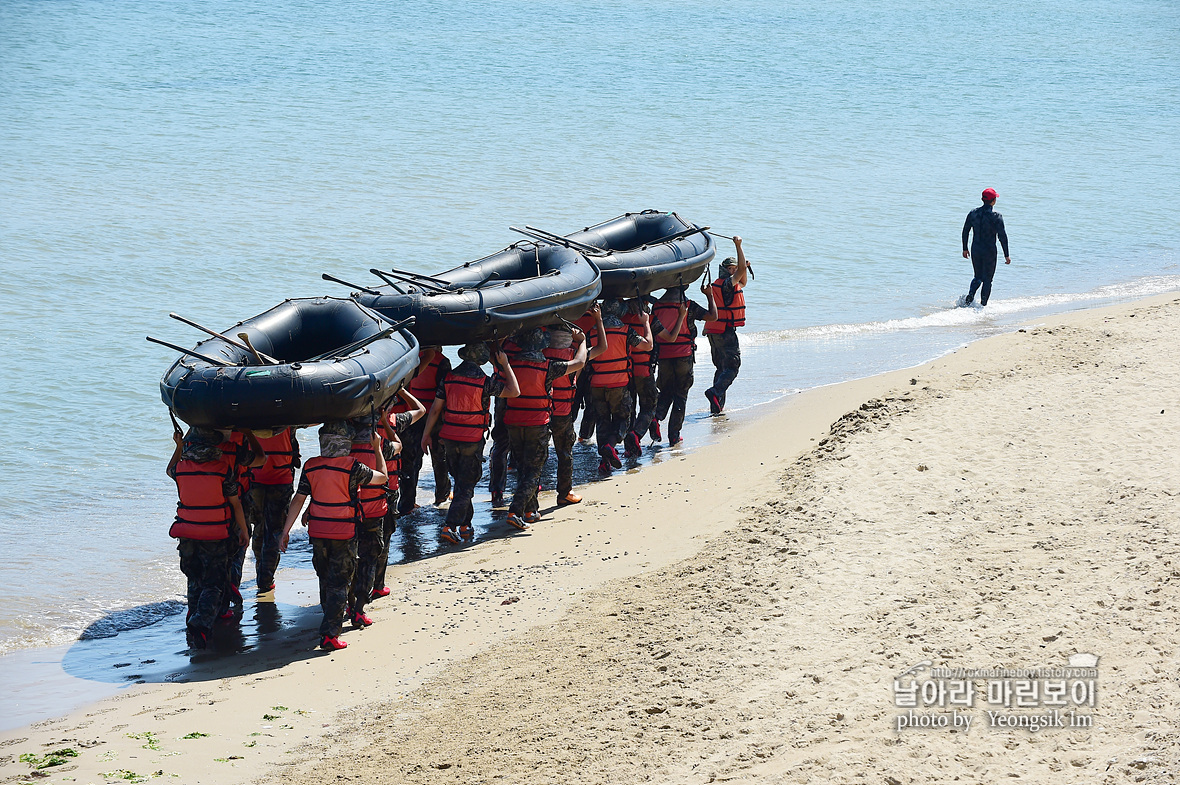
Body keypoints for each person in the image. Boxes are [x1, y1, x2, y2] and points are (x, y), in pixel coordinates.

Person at [279, 422, 388, 651]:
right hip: (343, 532)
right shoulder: (352, 467)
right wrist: (377, 448)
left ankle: (329, 621)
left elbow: (299, 499)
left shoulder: (311, 466)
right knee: (340, 582)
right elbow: (382, 479)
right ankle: (330, 634)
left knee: (325, 578)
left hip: (318, 532)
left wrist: (285, 531)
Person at [420, 343, 519, 545]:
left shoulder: (448, 378)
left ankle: (465, 525)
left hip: (449, 437)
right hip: (471, 440)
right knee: (466, 486)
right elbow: (514, 391)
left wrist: (426, 434)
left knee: (462, 483)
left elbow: (436, 410)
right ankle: (450, 526)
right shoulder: (484, 381)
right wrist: (505, 365)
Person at [167, 426, 251, 650]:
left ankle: (193, 619)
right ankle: (200, 623)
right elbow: (236, 504)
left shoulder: (180, 469)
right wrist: (244, 530)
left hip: (186, 534)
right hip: (214, 534)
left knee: (195, 580)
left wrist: (179, 446)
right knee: (214, 584)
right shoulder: (222, 470)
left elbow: (169, 469)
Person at [347, 388, 424, 623]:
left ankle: (353, 597)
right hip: (384, 494)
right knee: (381, 541)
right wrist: (401, 390)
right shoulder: (393, 423)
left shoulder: (346, 437)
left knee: (357, 547)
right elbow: (420, 410)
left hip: (355, 502)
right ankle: (376, 586)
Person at [503, 325, 591, 528]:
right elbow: (579, 362)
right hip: (536, 423)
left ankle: (530, 510)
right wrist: (582, 340)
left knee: (525, 467)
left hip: (514, 422)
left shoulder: (511, 364)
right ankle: (515, 511)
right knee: (534, 470)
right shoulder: (549, 366)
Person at [545, 311, 606, 506]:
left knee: (536, 455)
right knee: (564, 453)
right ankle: (565, 492)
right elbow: (602, 347)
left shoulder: (540, 355)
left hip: (542, 412)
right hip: (562, 412)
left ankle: (531, 495)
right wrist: (586, 335)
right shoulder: (576, 354)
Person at [588, 298, 652, 473]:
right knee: (623, 419)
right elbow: (648, 345)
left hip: (597, 384)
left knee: (602, 422)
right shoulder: (626, 330)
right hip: (618, 383)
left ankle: (604, 461)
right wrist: (646, 323)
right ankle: (611, 445)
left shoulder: (592, 332)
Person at [651, 283, 717, 446]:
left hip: (664, 355)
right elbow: (713, 316)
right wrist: (709, 295)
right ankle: (674, 436)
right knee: (680, 394)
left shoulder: (657, 306)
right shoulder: (688, 306)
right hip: (683, 355)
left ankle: (656, 417)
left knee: (665, 391)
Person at [393, 346, 451, 514]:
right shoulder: (442, 362)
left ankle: (407, 503)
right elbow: (445, 394)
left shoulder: (411, 359)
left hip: (412, 415)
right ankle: (442, 495)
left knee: (410, 460)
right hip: (435, 414)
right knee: (439, 457)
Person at [245, 428, 299, 594]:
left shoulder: (246, 411)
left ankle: (261, 573)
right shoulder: (288, 412)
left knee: (259, 528)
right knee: (274, 531)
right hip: (280, 478)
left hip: (255, 478)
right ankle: (265, 579)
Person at [219, 429, 266, 614]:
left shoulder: (194, 450)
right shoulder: (236, 451)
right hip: (237, 502)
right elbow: (261, 459)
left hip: (213, 508)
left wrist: (180, 444)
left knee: (216, 555)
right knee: (238, 548)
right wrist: (251, 434)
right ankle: (230, 591)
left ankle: (215, 600)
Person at [702, 237, 748, 414]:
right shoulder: (728, 284)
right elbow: (742, 272)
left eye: (735, 269)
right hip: (725, 331)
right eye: (730, 269)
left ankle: (716, 405)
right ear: (723, 269)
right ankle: (715, 392)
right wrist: (738, 245)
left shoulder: (718, 284)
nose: (733, 271)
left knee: (720, 368)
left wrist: (741, 266)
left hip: (713, 331)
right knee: (732, 367)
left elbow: (743, 280)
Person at [487, 337, 523, 508]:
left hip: (502, 396)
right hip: (524, 397)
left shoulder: (498, 348)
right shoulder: (525, 348)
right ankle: (527, 486)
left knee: (501, 444)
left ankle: (497, 489)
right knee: (524, 441)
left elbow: (490, 355)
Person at [962, 187, 1011, 307]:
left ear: (982, 199)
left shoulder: (973, 213)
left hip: (976, 249)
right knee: (988, 279)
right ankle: (982, 306)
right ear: (993, 201)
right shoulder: (996, 216)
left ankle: (970, 296)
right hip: (989, 250)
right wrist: (1006, 255)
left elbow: (965, 231)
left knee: (977, 276)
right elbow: (1002, 237)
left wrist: (965, 248)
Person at [622, 297, 658, 455]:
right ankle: (636, 435)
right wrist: (646, 323)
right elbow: (666, 337)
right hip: (643, 371)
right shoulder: (650, 320)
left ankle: (629, 449)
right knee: (649, 407)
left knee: (630, 410)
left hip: (626, 372)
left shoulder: (621, 320)